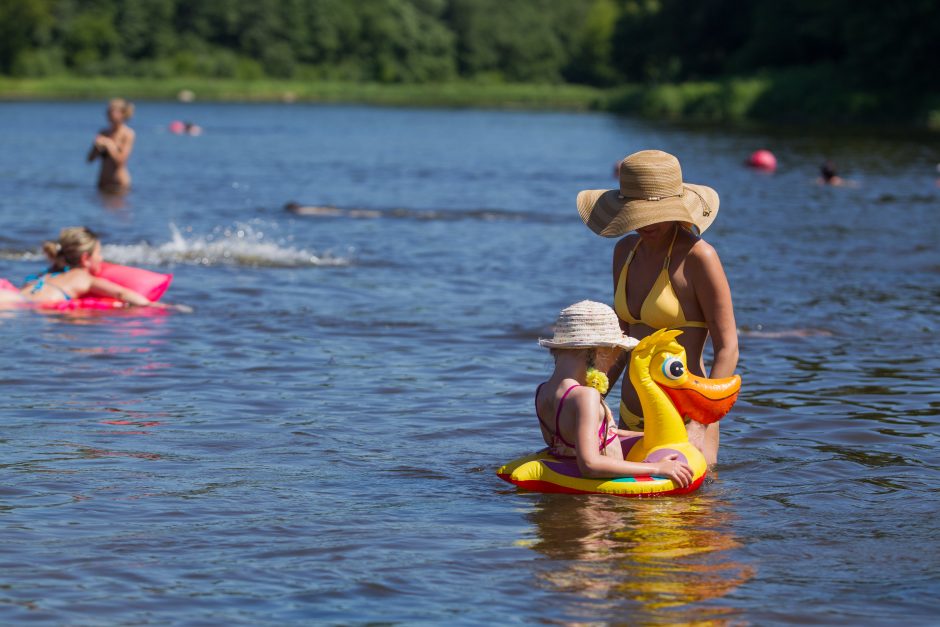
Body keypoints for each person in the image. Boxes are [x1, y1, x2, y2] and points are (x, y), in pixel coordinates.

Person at [576, 150, 738, 466]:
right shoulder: (625, 251)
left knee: (692, 513)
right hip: (630, 411)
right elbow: (622, 336)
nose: (644, 224)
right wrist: (593, 399)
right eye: (635, 214)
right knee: (620, 510)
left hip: (686, 413)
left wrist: (702, 421)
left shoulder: (699, 257)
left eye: (653, 215)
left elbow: (728, 348)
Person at [535, 300, 693, 487]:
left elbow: (580, 434)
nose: (616, 361)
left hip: (572, 494)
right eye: (618, 353)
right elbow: (589, 464)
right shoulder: (585, 396)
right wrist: (657, 468)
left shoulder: (543, 391)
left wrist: (643, 435)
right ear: (601, 351)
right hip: (599, 509)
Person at [0, 227, 186, 310]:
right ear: (85, 259)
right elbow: (121, 293)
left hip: (12, 297)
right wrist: (152, 305)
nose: (102, 258)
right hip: (21, 306)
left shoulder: (50, 272)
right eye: (99, 253)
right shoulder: (84, 278)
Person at [87, 99, 136, 193]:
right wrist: (96, 146)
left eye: (111, 111)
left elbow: (121, 161)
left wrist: (109, 144)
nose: (108, 114)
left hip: (119, 184)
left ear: (123, 113)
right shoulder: (103, 132)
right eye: (108, 111)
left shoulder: (128, 134)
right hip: (102, 183)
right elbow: (90, 160)